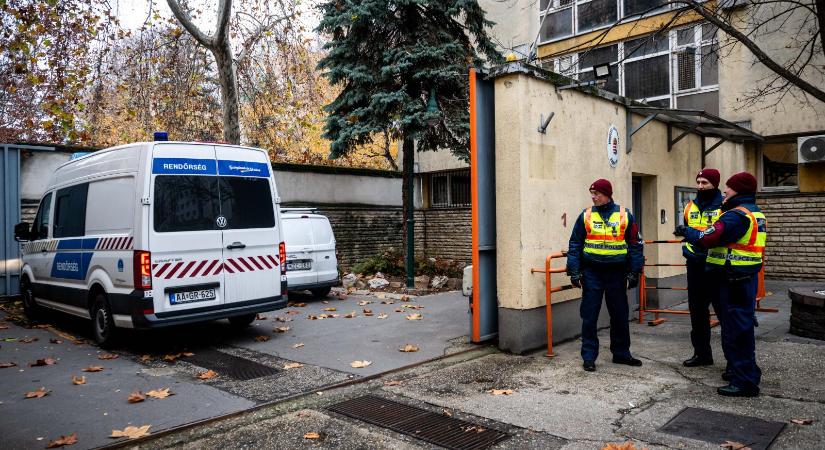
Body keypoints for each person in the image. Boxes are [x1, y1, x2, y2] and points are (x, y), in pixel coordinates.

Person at [675, 172, 766, 397]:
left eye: (729, 188)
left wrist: (689, 233)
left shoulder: (735, 215)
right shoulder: (751, 212)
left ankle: (743, 379)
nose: (726, 191)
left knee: (736, 329)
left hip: (733, 278)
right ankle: (744, 372)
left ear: (739, 190)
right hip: (730, 275)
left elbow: (710, 237)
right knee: (733, 326)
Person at [567, 179, 644, 372]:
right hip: (592, 272)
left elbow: (635, 245)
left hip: (617, 273)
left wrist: (635, 271)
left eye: (597, 193)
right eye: (591, 193)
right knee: (589, 316)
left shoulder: (625, 215)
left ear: (607, 194)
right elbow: (575, 244)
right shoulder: (585, 216)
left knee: (619, 315)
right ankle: (589, 357)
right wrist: (574, 270)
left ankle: (621, 354)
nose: (593, 197)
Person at [681, 169, 723, 368]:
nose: (700, 186)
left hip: (718, 266)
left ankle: (733, 362)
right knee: (697, 313)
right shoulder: (690, 206)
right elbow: (687, 230)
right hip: (695, 265)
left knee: (724, 313)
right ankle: (702, 354)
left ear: (714, 184)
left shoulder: (724, 206)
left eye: (705, 182)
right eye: (698, 182)